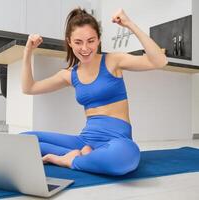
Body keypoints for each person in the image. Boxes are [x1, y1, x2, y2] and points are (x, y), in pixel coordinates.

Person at [21, 8, 168, 176]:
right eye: (78, 42)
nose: (85, 48)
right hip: (85, 142)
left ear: (98, 40)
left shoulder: (113, 61)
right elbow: (29, 88)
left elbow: (160, 61)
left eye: (91, 41)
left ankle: (69, 160)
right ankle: (85, 156)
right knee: (24, 140)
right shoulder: (70, 75)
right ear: (69, 42)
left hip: (117, 141)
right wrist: (28, 51)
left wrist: (129, 24)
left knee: (123, 157)